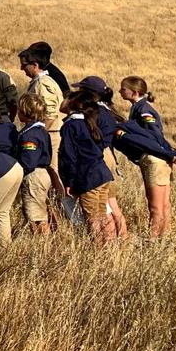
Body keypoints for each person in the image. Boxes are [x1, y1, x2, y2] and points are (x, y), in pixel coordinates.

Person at [119, 76, 176, 238]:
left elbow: (155, 135)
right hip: (159, 158)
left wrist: (168, 152)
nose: (120, 91)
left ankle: (153, 239)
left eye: (123, 89)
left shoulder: (144, 110)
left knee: (156, 206)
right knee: (164, 204)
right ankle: (164, 237)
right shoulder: (137, 107)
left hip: (155, 159)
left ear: (135, 92)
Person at [70, 77, 128, 237]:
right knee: (111, 205)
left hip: (98, 158)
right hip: (106, 157)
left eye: (80, 91)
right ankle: (122, 241)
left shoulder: (94, 112)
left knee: (106, 208)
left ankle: (107, 242)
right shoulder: (107, 110)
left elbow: (64, 107)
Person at [59, 91, 116, 245]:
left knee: (91, 218)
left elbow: (69, 156)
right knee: (102, 213)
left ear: (72, 103)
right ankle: (109, 247)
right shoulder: (89, 122)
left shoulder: (70, 126)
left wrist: (68, 181)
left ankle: (97, 250)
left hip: (87, 177)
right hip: (102, 174)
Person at [20, 49, 64, 189]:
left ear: (35, 65)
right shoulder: (38, 82)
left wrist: (38, 131)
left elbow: (50, 112)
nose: (22, 68)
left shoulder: (43, 83)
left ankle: (62, 206)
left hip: (51, 133)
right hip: (46, 133)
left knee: (54, 172)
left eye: (24, 65)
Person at [15, 94, 55, 235]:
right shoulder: (39, 130)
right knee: (37, 212)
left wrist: (16, 174)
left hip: (34, 176)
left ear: (26, 112)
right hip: (41, 174)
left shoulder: (30, 135)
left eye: (20, 110)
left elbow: (28, 161)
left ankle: (43, 243)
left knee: (35, 217)